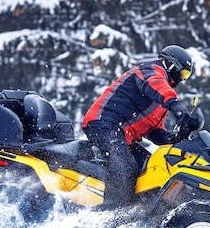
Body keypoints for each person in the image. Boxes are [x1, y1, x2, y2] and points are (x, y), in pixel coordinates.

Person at [82, 45, 194, 207]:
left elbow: (153, 129)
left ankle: (138, 210)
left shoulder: (160, 97)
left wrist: (173, 138)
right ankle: (109, 215)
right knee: (125, 168)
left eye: (186, 75)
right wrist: (176, 107)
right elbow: (154, 83)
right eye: (183, 73)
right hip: (103, 123)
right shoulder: (150, 70)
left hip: (120, 134)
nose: (182, 79)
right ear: (171, 65)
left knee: (149, 167)